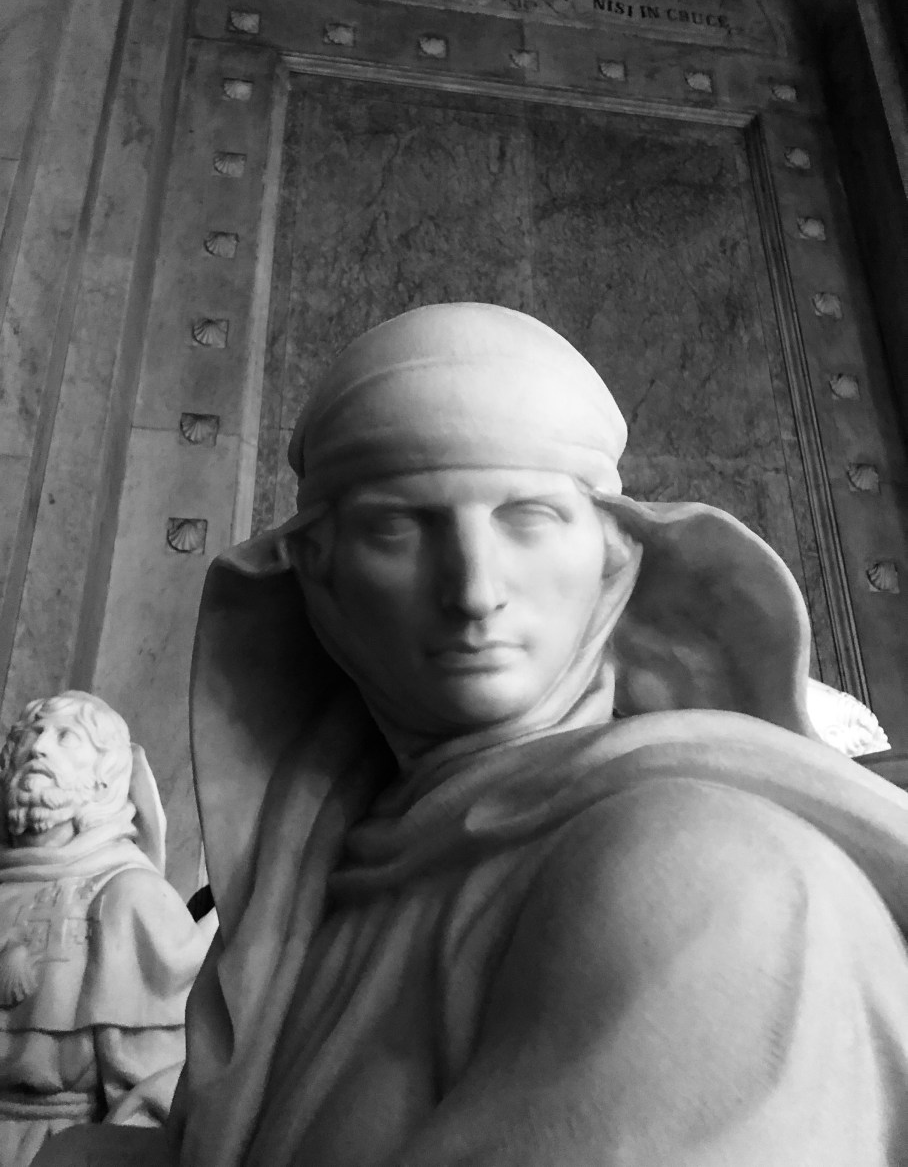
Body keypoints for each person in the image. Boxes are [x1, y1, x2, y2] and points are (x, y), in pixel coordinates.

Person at [36, 304, 908, 1166]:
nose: (474, 589)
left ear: (614, 556)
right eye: (398, 527)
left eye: (530, 518)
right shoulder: (323, 892)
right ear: (319, 578)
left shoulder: (715, 876)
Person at [0, 691, 210, 1166]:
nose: (38, 748)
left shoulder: (129, 896)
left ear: (106, 778)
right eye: (30, 735)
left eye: (66, 737)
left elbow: (157, 1096)